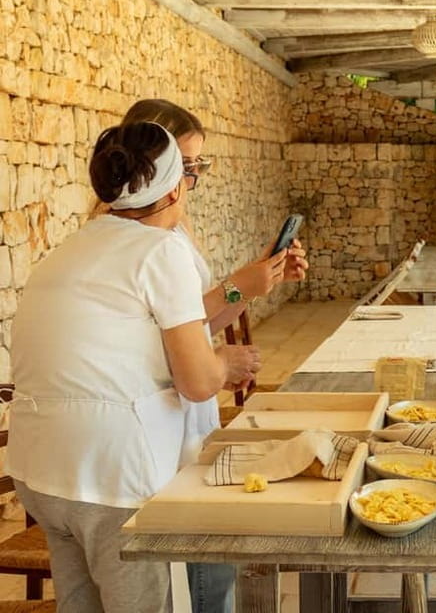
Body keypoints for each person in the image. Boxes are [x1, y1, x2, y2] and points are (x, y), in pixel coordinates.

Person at [7, 122, 262, 613]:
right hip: (112, 475)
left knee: (80, 604)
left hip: (39, 469)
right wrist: (225, 362)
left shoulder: (70, 248)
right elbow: (197, 381)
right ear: (173, 186)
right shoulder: (160, 251)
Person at [119, 99, 309, 613]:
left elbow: (197, 321)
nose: (190, 179)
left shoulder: (175, 230)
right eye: (186, 165)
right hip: (165, 407)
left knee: (210, 557)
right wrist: (233, 293)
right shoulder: (135, 239)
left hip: (190, 402)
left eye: (197, 166)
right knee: (199, 566)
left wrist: (255, 283)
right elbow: (169, 332)